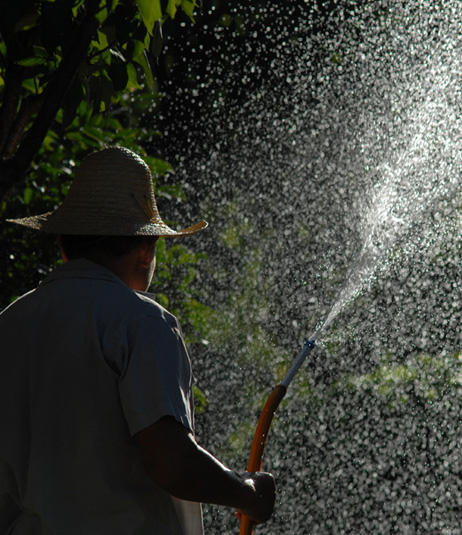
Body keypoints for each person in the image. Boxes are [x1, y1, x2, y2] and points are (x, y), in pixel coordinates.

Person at [0, 147, 275, 534]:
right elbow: (171, 463)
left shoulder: (9, 324)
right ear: (146, 250)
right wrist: (247, 493)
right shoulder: (141, 322)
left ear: (63, 245)